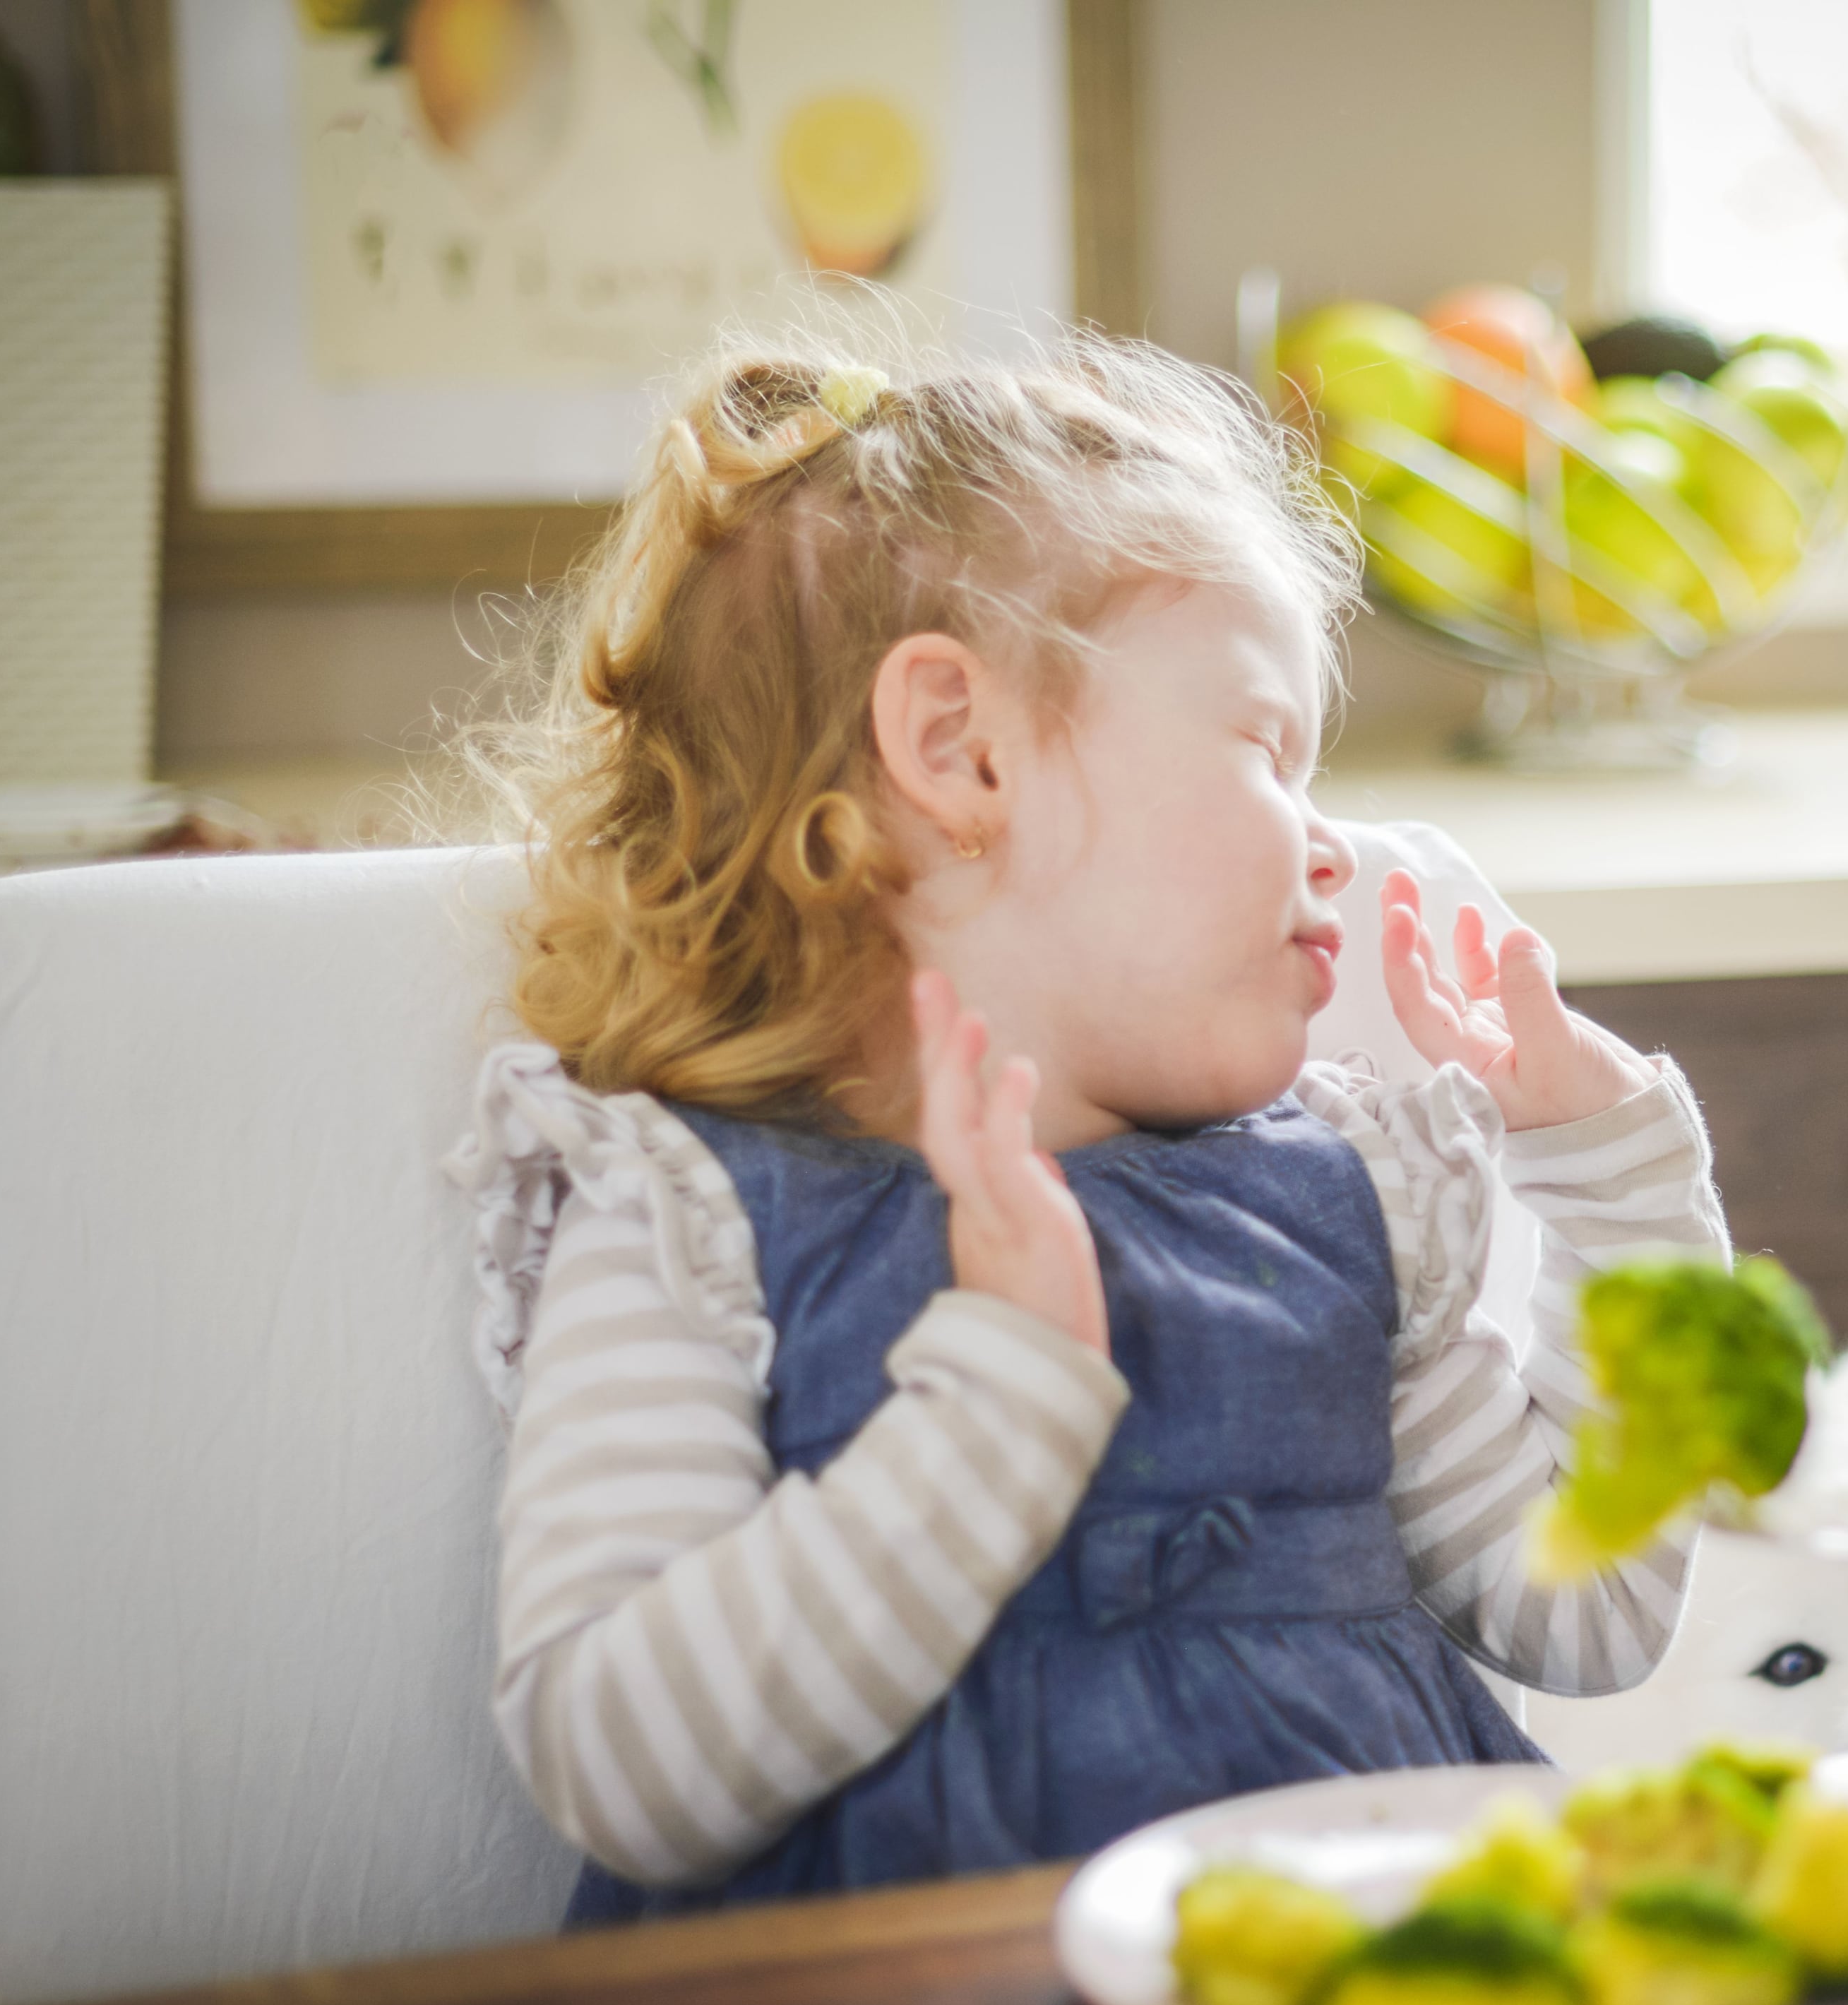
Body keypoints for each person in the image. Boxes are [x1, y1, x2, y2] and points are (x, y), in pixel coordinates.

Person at [448, 326, 1725, 1918]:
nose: (1331, 851)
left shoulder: (1349, 1206)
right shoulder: (690, 1214)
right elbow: (620, 1769)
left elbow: (1592, 1612)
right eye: (1267, 748)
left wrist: (1619, 1194)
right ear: (961, 752)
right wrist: (996, 1398)